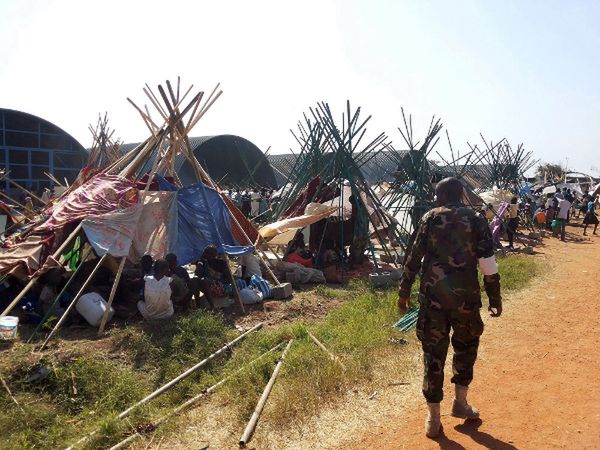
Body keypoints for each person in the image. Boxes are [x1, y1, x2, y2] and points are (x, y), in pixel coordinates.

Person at [398, 177, 502, 439]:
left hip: (433, 300)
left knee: (433, 356)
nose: (435, 199)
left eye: (436, 195)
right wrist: (494, 296)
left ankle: (433, 419)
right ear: (461, 194)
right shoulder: (477, 219)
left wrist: (404, 291)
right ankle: (460, 403)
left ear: (442, 195)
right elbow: (487, 262)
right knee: (466, 349)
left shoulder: (429, 218)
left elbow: (413, 257)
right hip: (466, 300)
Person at [195, 245, 229, 309]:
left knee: (204, 281)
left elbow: (228, 278)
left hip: (221, 286)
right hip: (208, 285)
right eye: (205, 253)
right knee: (194, 280)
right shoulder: (203, 263)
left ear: (214, 255)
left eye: (207, 253)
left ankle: (212, 306)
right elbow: (197, 273)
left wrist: (217, 277)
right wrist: (200, 260)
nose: (205, 255)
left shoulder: (221, 263)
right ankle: (198, 306)